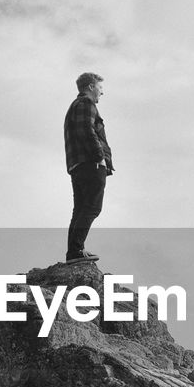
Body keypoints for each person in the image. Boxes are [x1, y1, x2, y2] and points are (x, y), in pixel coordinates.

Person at [63, 71, 114, 263]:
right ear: (91, 87)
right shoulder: (86, 104)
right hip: (90, 163)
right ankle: (76, 250)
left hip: (77, 165)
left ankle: (74, 252)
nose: (102, 92)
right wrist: (99, 157)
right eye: (100, 87)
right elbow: (88, 131)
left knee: (81, 209)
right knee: (92, 207)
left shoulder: (75, 106)